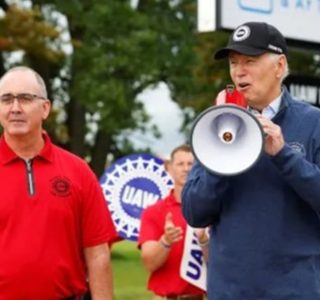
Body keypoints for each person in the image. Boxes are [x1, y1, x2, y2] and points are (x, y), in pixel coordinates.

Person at [182, 22, 320, 299]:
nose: (239, 71)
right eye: (233, 62)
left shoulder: (316, 123)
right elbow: (194, 212)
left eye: (250, 61)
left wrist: (284, 155)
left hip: (298, 292)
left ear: (279, 66)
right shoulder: (214, 126)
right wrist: (221, 150)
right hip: (232, 292)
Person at [0, 66, 116, 299]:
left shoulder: (78, 171)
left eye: (25, 98)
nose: (15, 108)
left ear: (45, 108)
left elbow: (97, 254)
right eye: (6, 99)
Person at [139, 144, 207, 300]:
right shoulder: (154, 212)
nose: (186, 169)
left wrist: (204, 241)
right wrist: (165, 241)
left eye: (191, 164)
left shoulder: (211, 210)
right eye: (180, 164)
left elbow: (220, 261)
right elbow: (149, 263)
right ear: (169, 168)